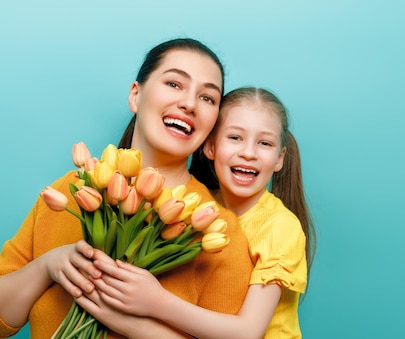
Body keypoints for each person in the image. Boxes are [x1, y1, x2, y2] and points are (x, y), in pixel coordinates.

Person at [0, 38, 253, 338]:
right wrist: (47, 266)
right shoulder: (74, 190)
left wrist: (138, 323)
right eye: (174, 84)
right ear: (136, 95)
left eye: (208, 98)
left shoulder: (217, 230)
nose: (189, 103)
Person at [88, 87, 316, 338]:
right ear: (210, 147)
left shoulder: (279, 226)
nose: (249, 153)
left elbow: (247, 332)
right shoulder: (199, 206)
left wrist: (154, 301)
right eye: (235, 138)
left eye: (265, 143)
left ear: (279, 159)